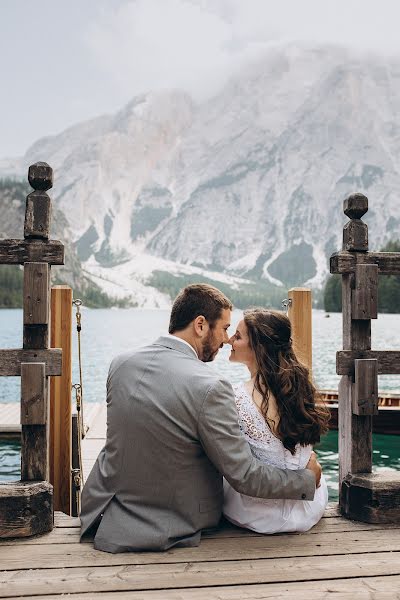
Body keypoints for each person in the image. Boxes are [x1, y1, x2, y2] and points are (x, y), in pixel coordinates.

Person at [80, 284, 321, 553]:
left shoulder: (121, 363)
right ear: (200, 325)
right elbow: (244, 475)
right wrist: (306, 480)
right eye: (225, 328)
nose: (226, 339)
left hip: (101, 509)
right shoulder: (211, 386)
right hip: (165, 523)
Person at [223, 308, 329, 533]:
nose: (229, 340)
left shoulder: (236, 396)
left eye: (238, 336)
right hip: (308, 508)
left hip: (256, 514)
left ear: (258, 348)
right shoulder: (301, 388)